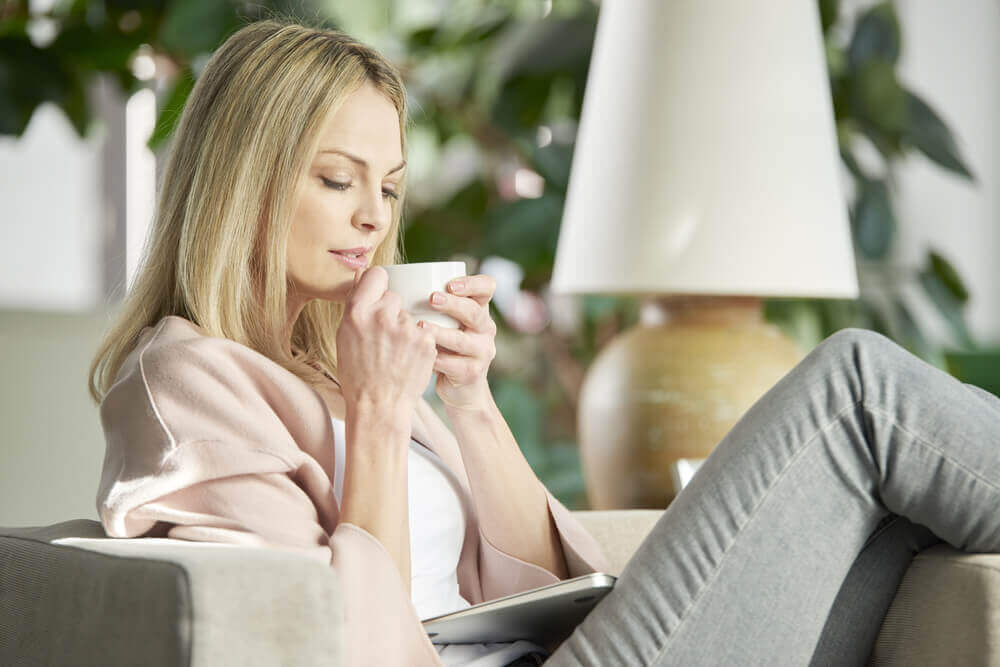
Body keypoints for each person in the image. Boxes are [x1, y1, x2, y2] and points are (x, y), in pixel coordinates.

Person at [88, 18, 1000, 667]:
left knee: (891, 518)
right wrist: (376, 415)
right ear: (245, 180)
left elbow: (543, 582)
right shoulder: (185, 377)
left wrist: (470, 406)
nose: (373, 217)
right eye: (337, 178)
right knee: (857, 390)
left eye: (391, 188)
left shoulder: (340, 365)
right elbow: (330, 640)